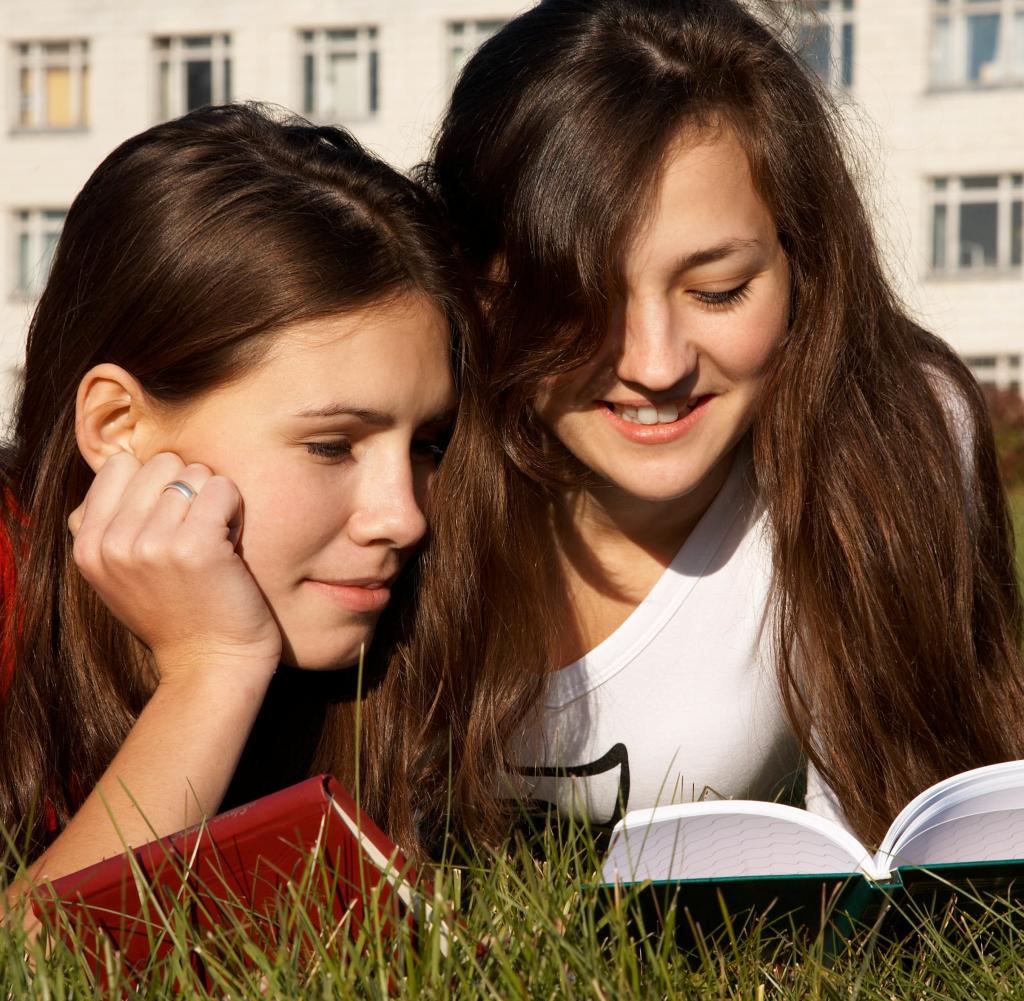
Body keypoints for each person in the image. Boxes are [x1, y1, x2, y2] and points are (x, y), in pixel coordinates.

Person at [401, 0, 1024, 850]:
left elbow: (895, 845)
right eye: (580, 300)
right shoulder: (396, 447)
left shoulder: (893, 427)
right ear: (475, 286)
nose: (656, 365)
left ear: (802, 263)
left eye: (718, 290)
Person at [0, 102, 475, 882]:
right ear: (118, 425)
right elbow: (30, 965)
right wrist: (213, 667)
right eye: (331, 445)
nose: (405, 516)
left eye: (427, 443)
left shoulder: (405, 645)